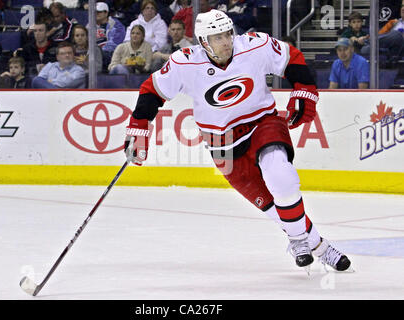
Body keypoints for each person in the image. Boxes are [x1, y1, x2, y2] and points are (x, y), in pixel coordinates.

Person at [123, 10, 352, 273]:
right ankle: (317, 245)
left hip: (261, 123)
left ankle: (306, 244)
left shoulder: (254, 45)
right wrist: (138, 127)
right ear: (204, 41)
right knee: (270, 205)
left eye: (228, 33)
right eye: (218, 36)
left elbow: (291, 57)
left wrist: (305, 89)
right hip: (223, 145)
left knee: (282, 177)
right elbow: (153, 91)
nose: (226, 41)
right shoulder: (185, 63)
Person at [87, 2, 126, 73]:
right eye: (95, 12)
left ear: (106, 13)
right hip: (93, 53)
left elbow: (115, 44)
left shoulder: (116, 25)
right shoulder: (89, 25)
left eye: (99, 12)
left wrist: (99, 51)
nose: (96, 14)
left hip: (109, 54)